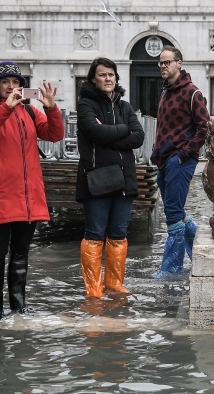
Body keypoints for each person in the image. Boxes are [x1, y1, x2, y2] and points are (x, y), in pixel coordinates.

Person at [0, 62, 64, 319]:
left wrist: (50, 108)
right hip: (0, 195)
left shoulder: (32, 113)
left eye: (16, 83)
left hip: (28, 197)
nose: (11, 87)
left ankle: (18, 304)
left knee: (21, 253)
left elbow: (55, 134)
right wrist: (6, 108)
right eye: (6, 82)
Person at [76, 58, 145, 297]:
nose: (108, 79)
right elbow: (94, 132)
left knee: (118, 233)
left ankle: (115, 284)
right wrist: (123, 129)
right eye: (102, 75)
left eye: (111, 75)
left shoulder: (124, 106)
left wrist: (109, 134)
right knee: (95, 234)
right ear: (93, 79)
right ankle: (94, 290)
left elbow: (139, 137)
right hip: (96, 179)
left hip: (124, 179)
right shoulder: (86, 105)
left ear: (116, 78)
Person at [151, 45, 210, 278]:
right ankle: (200, 255)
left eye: (167, 62)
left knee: (173, 214)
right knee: (176, 210)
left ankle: (171, 270)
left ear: (179, 63)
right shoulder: (166, 91)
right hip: (165, 160)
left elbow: (204, 127)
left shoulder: (192, 92)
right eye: (161, 63)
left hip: (180, 160)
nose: (163, 66)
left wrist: (183, 155)